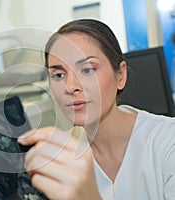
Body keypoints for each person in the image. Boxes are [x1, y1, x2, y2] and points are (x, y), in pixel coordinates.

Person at [18, 19, 175, 199]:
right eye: (59, 75)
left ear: (121, 75)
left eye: (87, 70)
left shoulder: (168, 142)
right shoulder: (65, 158)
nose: (70, 86)